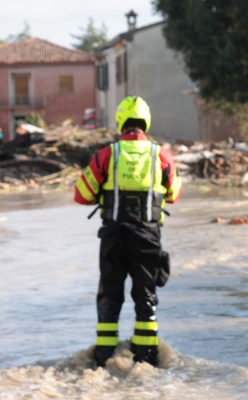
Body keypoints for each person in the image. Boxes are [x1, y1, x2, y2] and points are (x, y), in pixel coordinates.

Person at [74, 96, 183, 367]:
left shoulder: (107, 155)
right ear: (146, 121)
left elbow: (81, 195)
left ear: (121, 121)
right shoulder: (161, 156)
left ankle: (103, 359)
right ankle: (145, 362)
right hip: (147, 237)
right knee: (145, 297)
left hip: (113, 237)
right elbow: (174, 195)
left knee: (110, 295)